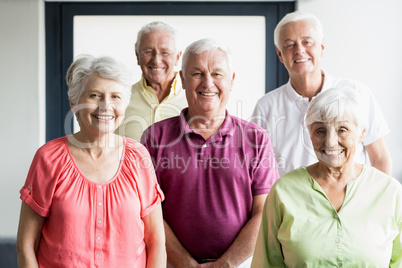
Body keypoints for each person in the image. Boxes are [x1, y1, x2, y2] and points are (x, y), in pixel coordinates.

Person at [16, 55, 166, 267]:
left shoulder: (138, 157)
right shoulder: (48, 158)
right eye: (95, 95)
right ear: (74, 102)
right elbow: (25, 245)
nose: (105, 106)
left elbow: (156, 242)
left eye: (115, 97)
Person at [141, 38, 279, 268]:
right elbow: (149, 213)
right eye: (197, 73)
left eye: (217, 74)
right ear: (183, 80)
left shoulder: (256, 138)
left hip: (240, 264)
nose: (208, 83)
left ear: (231, 80)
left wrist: (225, 264)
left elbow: (265, 213)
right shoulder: (154, 138)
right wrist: (186, 264)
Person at [251, 87, 402, 267]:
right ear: (310, 134)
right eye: (320, 131)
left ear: (362, 133)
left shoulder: (390, 192)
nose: (330, 142)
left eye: (342, 130)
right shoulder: (283, 191)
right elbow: (266, 264)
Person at [251, 11, 392, 177]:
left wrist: (378, 201)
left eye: (307, 42)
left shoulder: (356, 94)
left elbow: (380, 158)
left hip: (352, 200)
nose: (299, 50)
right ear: (280, 54)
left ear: (321, 47)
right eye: (289, 45)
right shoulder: (266, 106)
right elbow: (258, 171)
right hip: (293, 202)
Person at [116, 21, 188, 141]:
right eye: (148, 52)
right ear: (137, 56)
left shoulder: (194, 98)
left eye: (164, 52)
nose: (156, 60)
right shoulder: (120, 99)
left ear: (177, 57)